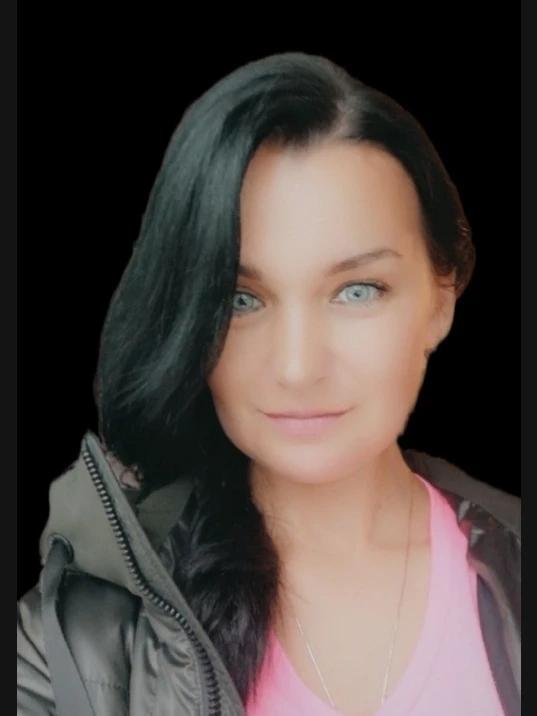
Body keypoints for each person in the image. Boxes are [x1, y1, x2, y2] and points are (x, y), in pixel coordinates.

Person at [17, 51, 520, 716]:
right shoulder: (73, 644)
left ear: (441, 298)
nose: (297, 367)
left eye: (357, 290)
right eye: (240, 300)